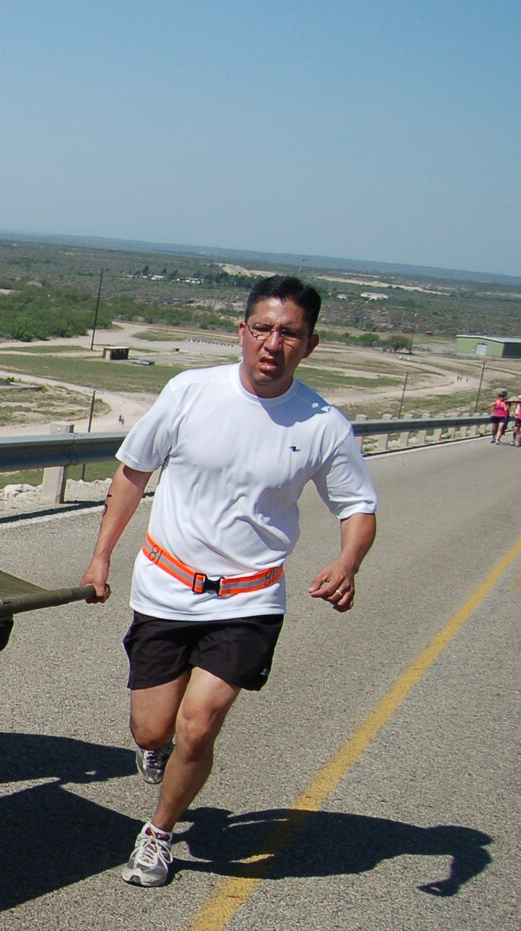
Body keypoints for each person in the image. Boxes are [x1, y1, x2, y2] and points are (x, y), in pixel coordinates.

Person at [80, 275, 378, 888]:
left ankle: (159, 834)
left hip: (250, 596)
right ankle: (158, 752)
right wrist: (101, 556)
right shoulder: (191, 391)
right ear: (242, 332)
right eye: (263, 329)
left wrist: (348, 561)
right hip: (165, 585)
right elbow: (133, 472)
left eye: (289, 333)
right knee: (153, 728)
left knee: (201, 722)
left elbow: (357, 507)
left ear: (310, 344)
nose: (274, 343)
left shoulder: (323, 424)